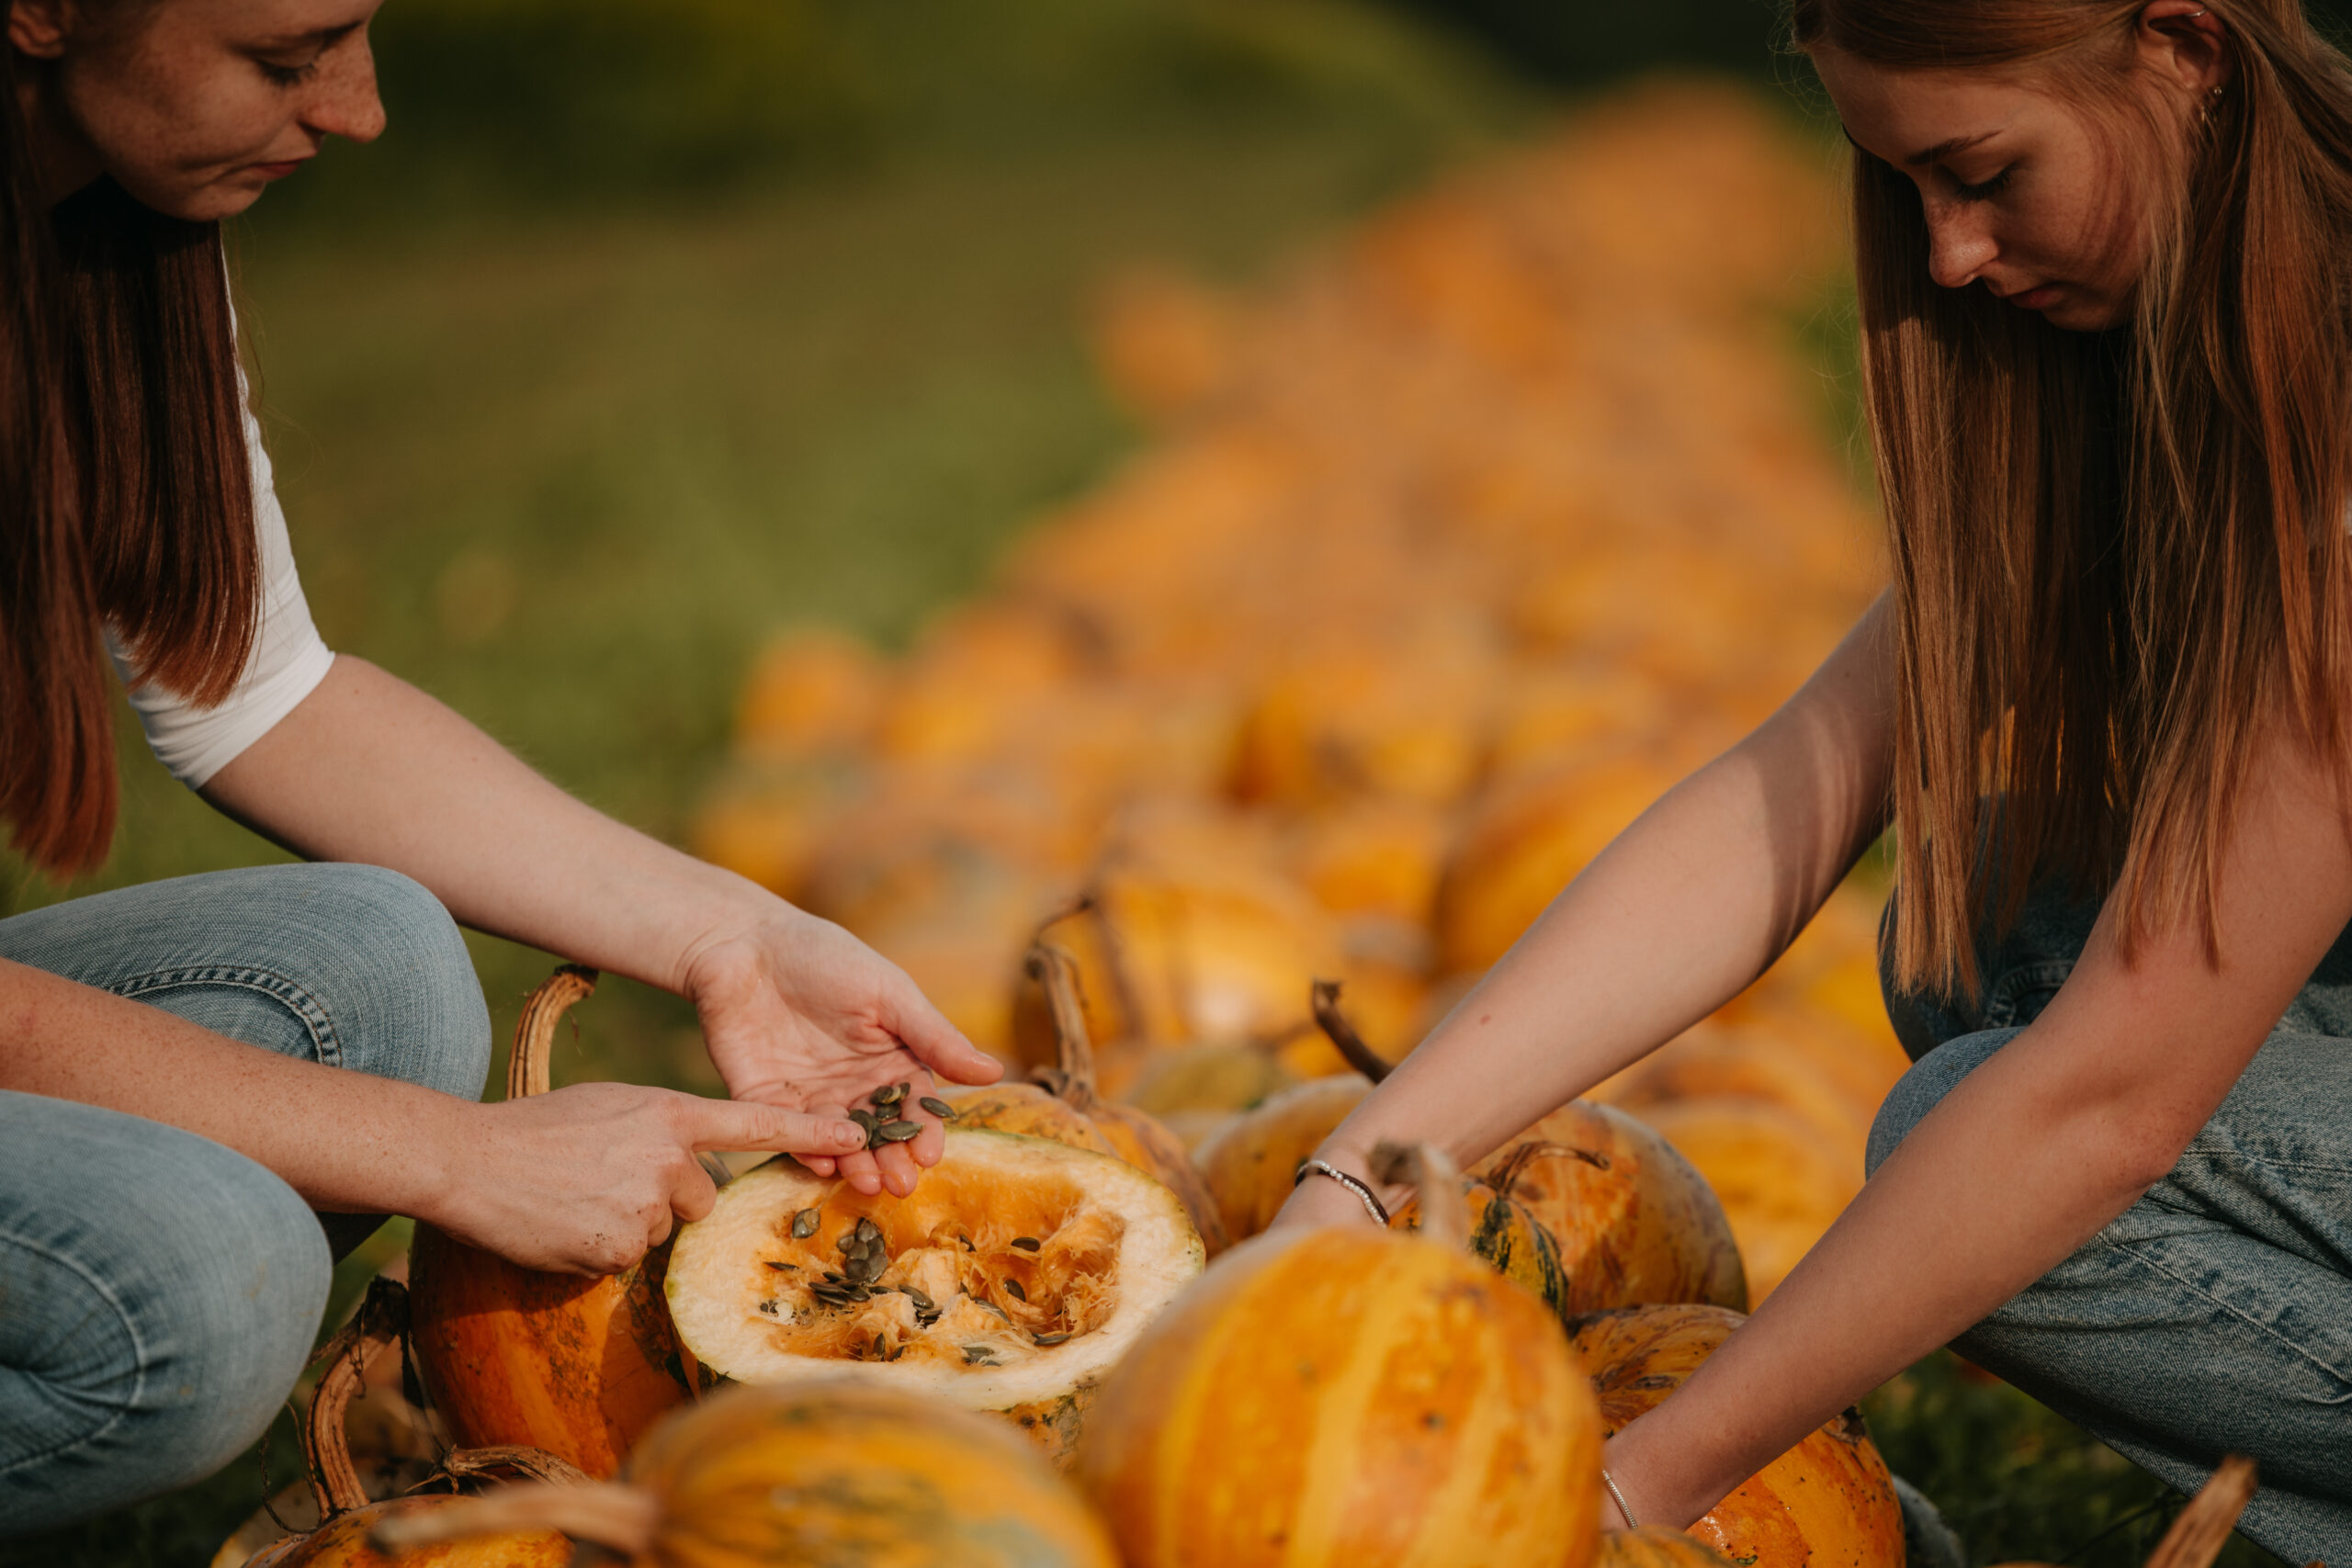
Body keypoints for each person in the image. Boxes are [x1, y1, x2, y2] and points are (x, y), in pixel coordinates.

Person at [1276, 1, 2352, 1560]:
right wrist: (1365, 1170)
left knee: (1977, 1125)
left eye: (1981, 172)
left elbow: (2114, 1101)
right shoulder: (2187, 348)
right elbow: (1795, 785)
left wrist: (1635, 1492)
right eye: (1906, 190)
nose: (1950, 258)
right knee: (1988, 916)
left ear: (2184, 51)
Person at [0, 0, 1003, 1534]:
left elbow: (258, 691)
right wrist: (456, 1161)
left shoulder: (102, 231)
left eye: (362, 35)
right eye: (286, 58)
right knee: (198, 1289)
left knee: (379, 961)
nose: (361, 110)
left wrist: (729, 935)